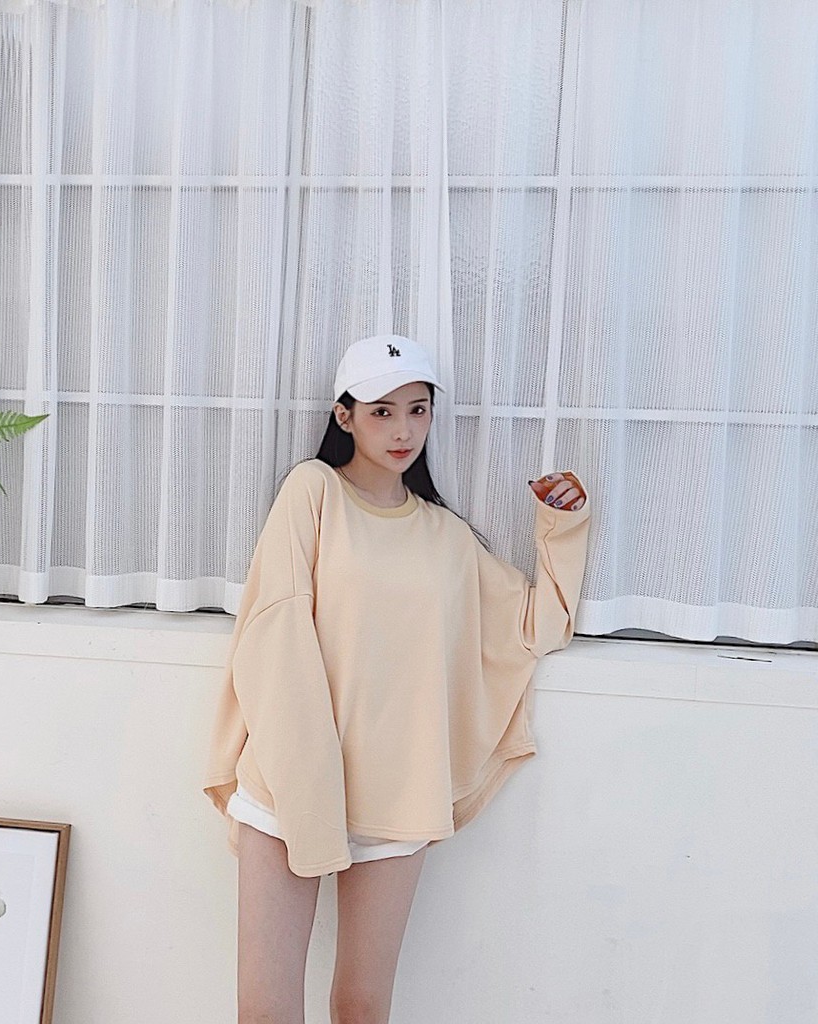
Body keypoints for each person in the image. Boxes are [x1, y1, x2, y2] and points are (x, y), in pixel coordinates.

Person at [203, 335, 591, 1024]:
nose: (403, 430)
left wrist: (561, 525)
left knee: (362, 1008)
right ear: (344, 416)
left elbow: (537, 624)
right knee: (265, 1013)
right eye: (382, 412)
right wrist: (308, 779)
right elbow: (277, 632)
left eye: (418, 409)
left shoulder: (445, 538)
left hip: (396, 793)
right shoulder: (313, 491)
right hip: (291, 780)